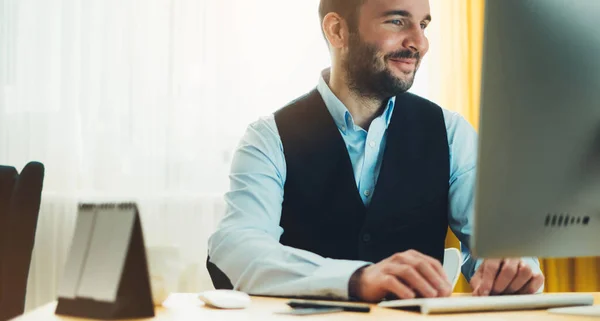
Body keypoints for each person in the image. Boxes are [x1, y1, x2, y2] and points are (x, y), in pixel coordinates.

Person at [207, 0, 544, 302]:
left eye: (423, 24)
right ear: (338, 30)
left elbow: (498, 244)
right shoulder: (268, 138)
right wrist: (355, 280)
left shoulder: (451, 132)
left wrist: (511, 265)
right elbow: (235, 247)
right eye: (397, 21)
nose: (419, 42)